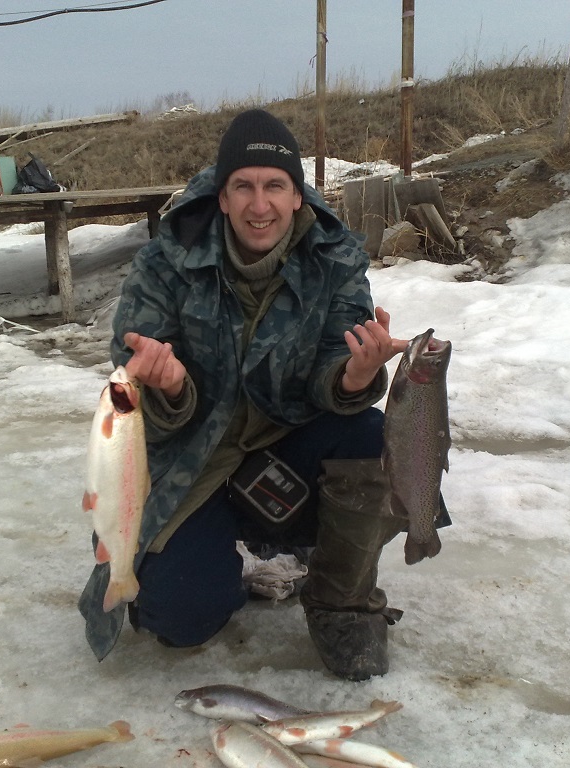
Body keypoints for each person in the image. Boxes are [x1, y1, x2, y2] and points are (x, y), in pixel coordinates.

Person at [78, 108, 449, 681]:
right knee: (178, 619)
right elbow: (129, 396)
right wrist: (169, 386)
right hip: (193, 458)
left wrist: (352, 376)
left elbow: (336, 360)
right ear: (222, 197)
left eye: (275, 186)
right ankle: (220, 562)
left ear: (297, 195)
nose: (259, 205)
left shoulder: (334, 259)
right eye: (243, 187)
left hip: (290, 440)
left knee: (375, 440)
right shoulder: (165, 263)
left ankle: (341, 603)